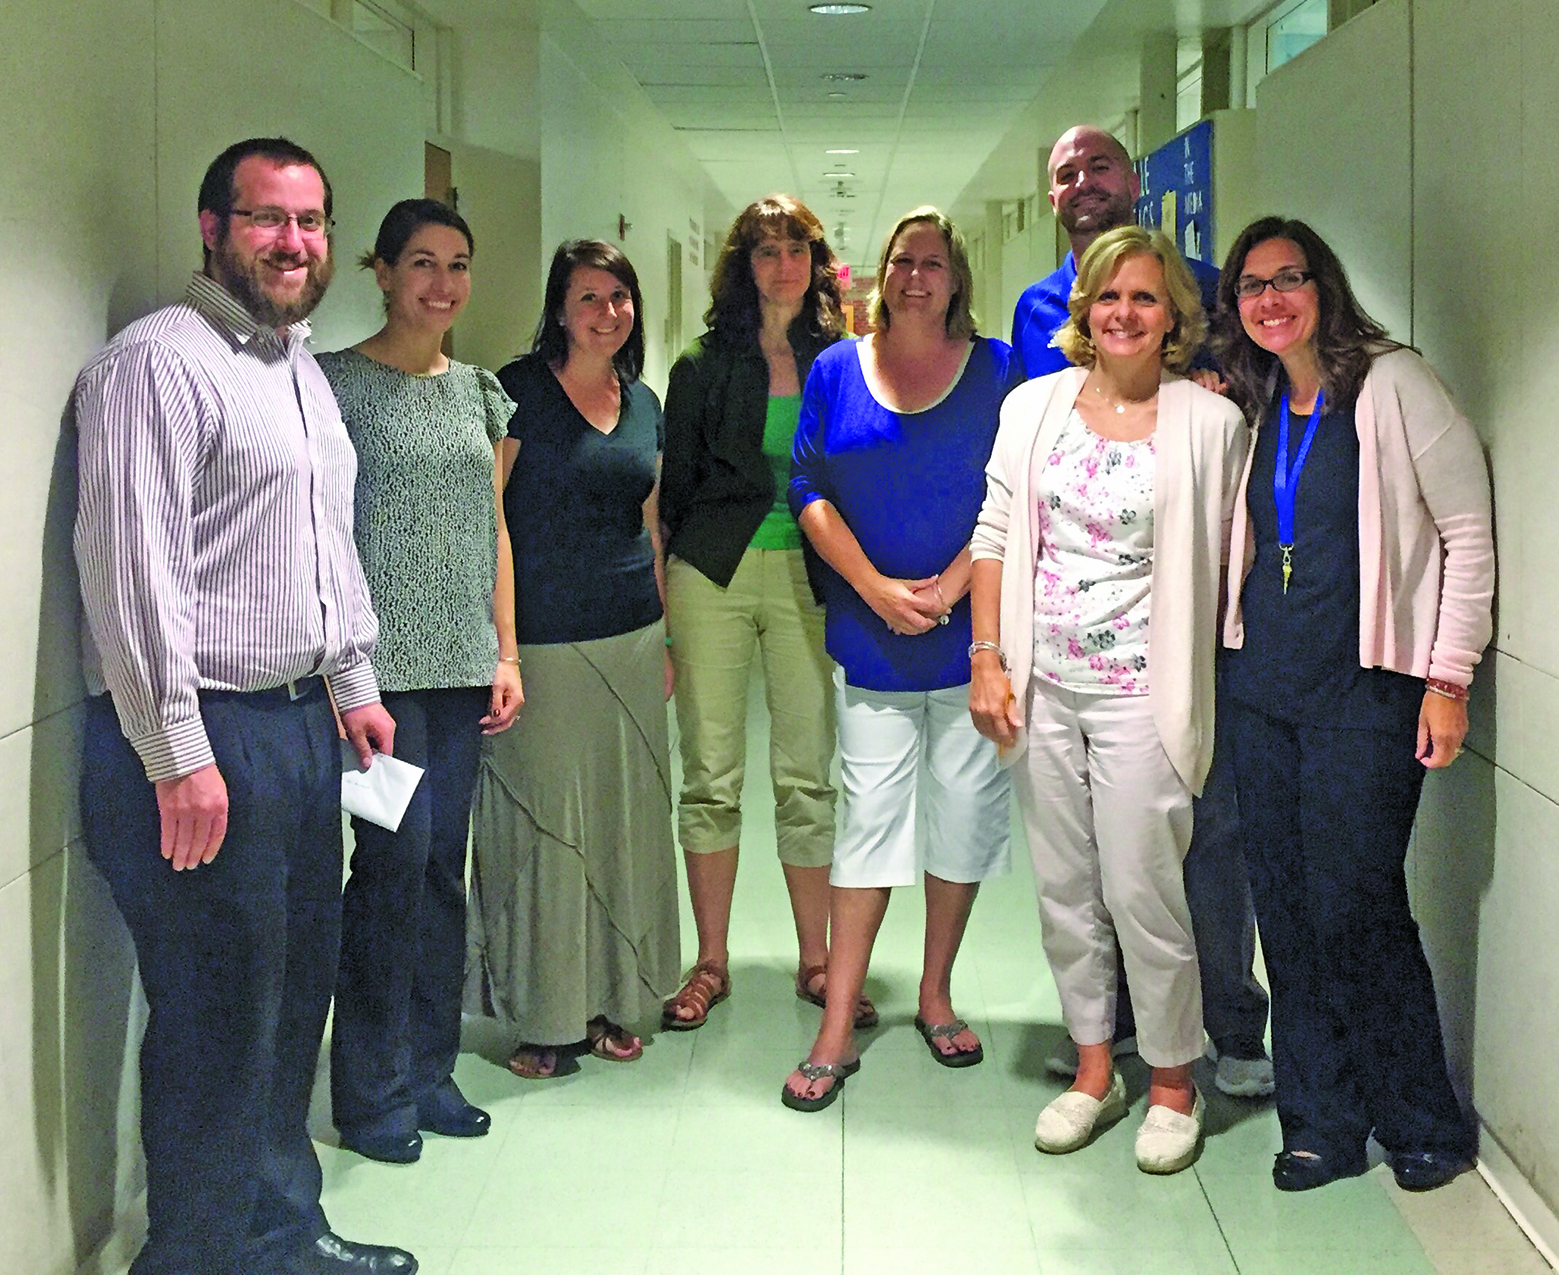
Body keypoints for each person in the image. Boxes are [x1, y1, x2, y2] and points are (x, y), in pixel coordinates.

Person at [73, 138, 415, 1275]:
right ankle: (200, 1256)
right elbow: (132, 576)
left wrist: (352, 685)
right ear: (212, 227)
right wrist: (176, 753)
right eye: (266, 219)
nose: (293, 243)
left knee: (285, 1003)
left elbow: (327, 549)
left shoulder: (298, 370)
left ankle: (280, 1232)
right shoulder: (154, 366)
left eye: (311, 222)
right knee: (219, 1017)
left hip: (296, 727)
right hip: (199, 738)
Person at [1212, 216, 1493, 1192]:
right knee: (1285, 916)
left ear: (1321, 286)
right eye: (1251, 285)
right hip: (1261, 699)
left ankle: (1420, 1119)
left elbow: (1466, 533)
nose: (1270, 298)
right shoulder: (1249, 406)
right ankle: (1320, 1122)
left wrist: (1446, 678)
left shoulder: (1391, 384)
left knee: (1355, 906)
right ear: (1234, 306)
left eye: (1287, 278)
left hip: (1365, 697)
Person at [971, 225, 1248, 1174]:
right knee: (1064, 890)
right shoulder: (1032, 406)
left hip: (1146, 693)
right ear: (1081, 311)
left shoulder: (1209, 422)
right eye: (1106, 297)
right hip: (1044, 684)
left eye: (1143, 296)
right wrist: (987, 658)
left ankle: (1173, 1080)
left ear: (1173, 313)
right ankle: (1095, 1070)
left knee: (1144, 889)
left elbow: (1233, 557)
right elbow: (995, 531)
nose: (1123, 313)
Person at [1010, 124, 1274, 1098]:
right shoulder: (1036, 313)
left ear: (1133, 179)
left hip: (1183, 641)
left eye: (1098, 167)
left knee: (1197, 857)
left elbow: (1249, 419)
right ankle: (1114, 1038)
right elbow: (1025, 485)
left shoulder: (1211, 286)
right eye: (1064, 171)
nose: (1083, 183)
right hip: (1068, 661)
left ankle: (1230, 1030)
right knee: (1088, 870)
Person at [781, 207, 1013, 1112]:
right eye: (899, 261)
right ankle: (836, 1022)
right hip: (870, 639)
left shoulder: (997, 369)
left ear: (956, 278)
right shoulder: (837, 368)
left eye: (932, 263)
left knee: (962, 821)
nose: (915, 276)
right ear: (879, 276)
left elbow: (1013, 489)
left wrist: (954, 585)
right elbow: (805, 482)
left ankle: (934, 992)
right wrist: (875, 587)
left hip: (972, 641)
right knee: (867, 829)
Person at [316, 199, 523, 1164]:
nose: (442, 284)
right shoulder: (337, 387)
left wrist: (506, 652)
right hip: (379, 680)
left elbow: (495, 530)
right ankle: (370, 1091)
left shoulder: (478, 391)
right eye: (422, 264)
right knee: (392, 872)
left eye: (458, 264)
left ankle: (430, 1067)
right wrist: (339, 674)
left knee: (444, 871)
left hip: (459, 670)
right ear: (384, 271)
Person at [659, 195, 876, 1031]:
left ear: (816, 264)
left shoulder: (846, 358)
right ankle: (709, 960)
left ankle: (816, 958)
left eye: (795, 250)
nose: (781, 265)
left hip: (810, 577)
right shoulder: (702, 363)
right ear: (742, 266)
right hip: (711, 572)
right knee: (710, 774)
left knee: (805, 774)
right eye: (765, 250)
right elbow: (672, 492)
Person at [467, 239, 680, 1079]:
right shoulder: (514, 392)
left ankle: (607, 1001)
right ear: (559, 307)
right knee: (544, 830)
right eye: (587, 297)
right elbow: (492, 524)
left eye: (619, 296)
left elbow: (650, 525)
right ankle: (544, 1015)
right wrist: (506, 650)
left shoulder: (644, 400)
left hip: (629, 635)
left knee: (621, 825)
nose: (606, 311)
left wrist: (663, 636)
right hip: (543, 643)